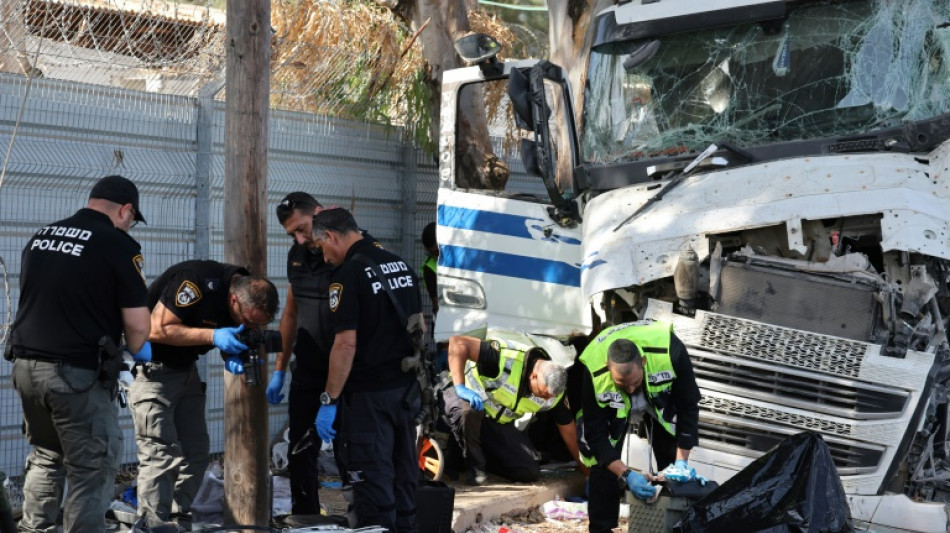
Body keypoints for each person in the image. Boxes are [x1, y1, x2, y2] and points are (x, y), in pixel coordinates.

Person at [8, 175, 151, 533]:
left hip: (26, 368)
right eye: (132, 217)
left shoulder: (42, 237)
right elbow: (136, 326)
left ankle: (35, 529)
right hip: (73, 374)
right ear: (125, 210)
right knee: (94, 465)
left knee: (46, 456)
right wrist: (138, 352)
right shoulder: (119, 245)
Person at [128, 260, 278, 528]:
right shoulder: (195, 282)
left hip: (186, 371)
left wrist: (233, 348)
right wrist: (214, 337)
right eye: (246, 321)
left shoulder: (240, 293)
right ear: (234, 300)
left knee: (196, 452)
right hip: (153, 370)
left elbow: (222, 327)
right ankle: (153, 523)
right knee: (160, 453)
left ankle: (177, 516)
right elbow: (156, 328)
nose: (249, 327)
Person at [312, 208, 421, 533]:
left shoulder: (348, 275)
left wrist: (328, 400)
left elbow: (345, 345)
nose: (325, 257)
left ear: (330, 236)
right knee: (404, 481)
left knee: (372, 488)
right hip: (404, 393)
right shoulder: (399, 264)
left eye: (321, 248)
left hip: (368, 400)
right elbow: (420, 327)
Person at [577, 320, 701, 533]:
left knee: (672, 466)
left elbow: (688, 406)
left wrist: (681, 463)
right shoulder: (593, 369)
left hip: (657, 397)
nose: (631, 389)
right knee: (602, 465)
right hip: (614, 408)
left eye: (634, 382)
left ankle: (672, 526)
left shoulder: (671, 352)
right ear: (608, 368)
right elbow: (596, 435)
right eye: (622, 383)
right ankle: (601, 529)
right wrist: (626, 475)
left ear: (643, 361)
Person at [444, 331, 588, 485]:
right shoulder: (504, 358)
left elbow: (568, 431)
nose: (545, 399)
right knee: (469, 413)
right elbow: (457, 342)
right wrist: (460, 387)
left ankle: (471, 456)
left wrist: (587, 473)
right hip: (463, 401)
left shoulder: (553, 394)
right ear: (533, 376)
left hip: (495, 422)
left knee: (528, 471)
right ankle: (475, 468)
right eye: (543, 394)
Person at [267, 192, 331, 515]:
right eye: (293, 233)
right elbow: (290, 314)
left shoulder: (344, 251)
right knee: (300, 451)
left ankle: (366, 520)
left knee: (352, 453)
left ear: (318, 213)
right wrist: (279, 368)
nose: (300, 238)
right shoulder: (297, 255)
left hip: (346, 371)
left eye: (303, 228)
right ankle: (305, 517)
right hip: (307, 368)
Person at [420, 222, 438, 314]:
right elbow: (437, 305)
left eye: (437, 252)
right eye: (431, 254)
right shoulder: (429, 268)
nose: (435, 258)